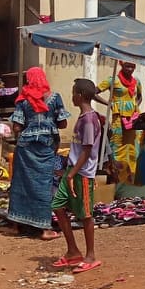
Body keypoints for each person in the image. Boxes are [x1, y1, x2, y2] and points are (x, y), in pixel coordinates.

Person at [3, 67, 69, 238]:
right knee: (43, 185)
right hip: (46, 148)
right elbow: (63, 124)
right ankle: (44, 229)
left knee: (20, 184)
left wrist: (30, 126)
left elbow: (16, 127)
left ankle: (15, 225)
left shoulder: (23, 100)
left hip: (25, 148)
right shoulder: (55, 98)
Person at [51, 78, 103, 272]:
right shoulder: (83, 117)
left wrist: (72, 174)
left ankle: (91, 256)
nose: (71, 96)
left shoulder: (89, 120)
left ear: (79, 95)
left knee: (86, 215)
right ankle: (73, 251)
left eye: (73, 92)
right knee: (57, 205)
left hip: (82, 174)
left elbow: (87, 150)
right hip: (72, 171)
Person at [99, 61, 142, 184]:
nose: (130, 68)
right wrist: (108, 104)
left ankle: (132, 181)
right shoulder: (112, 80)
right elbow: (94, 91)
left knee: (133, 150)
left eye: (133, 66)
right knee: (117, 150)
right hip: (118, 122)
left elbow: (139, 97)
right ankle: (118, 181)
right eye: (127, 65)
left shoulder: (137, 81)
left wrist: (134, 107)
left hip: (133, 122)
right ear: (121, 64)